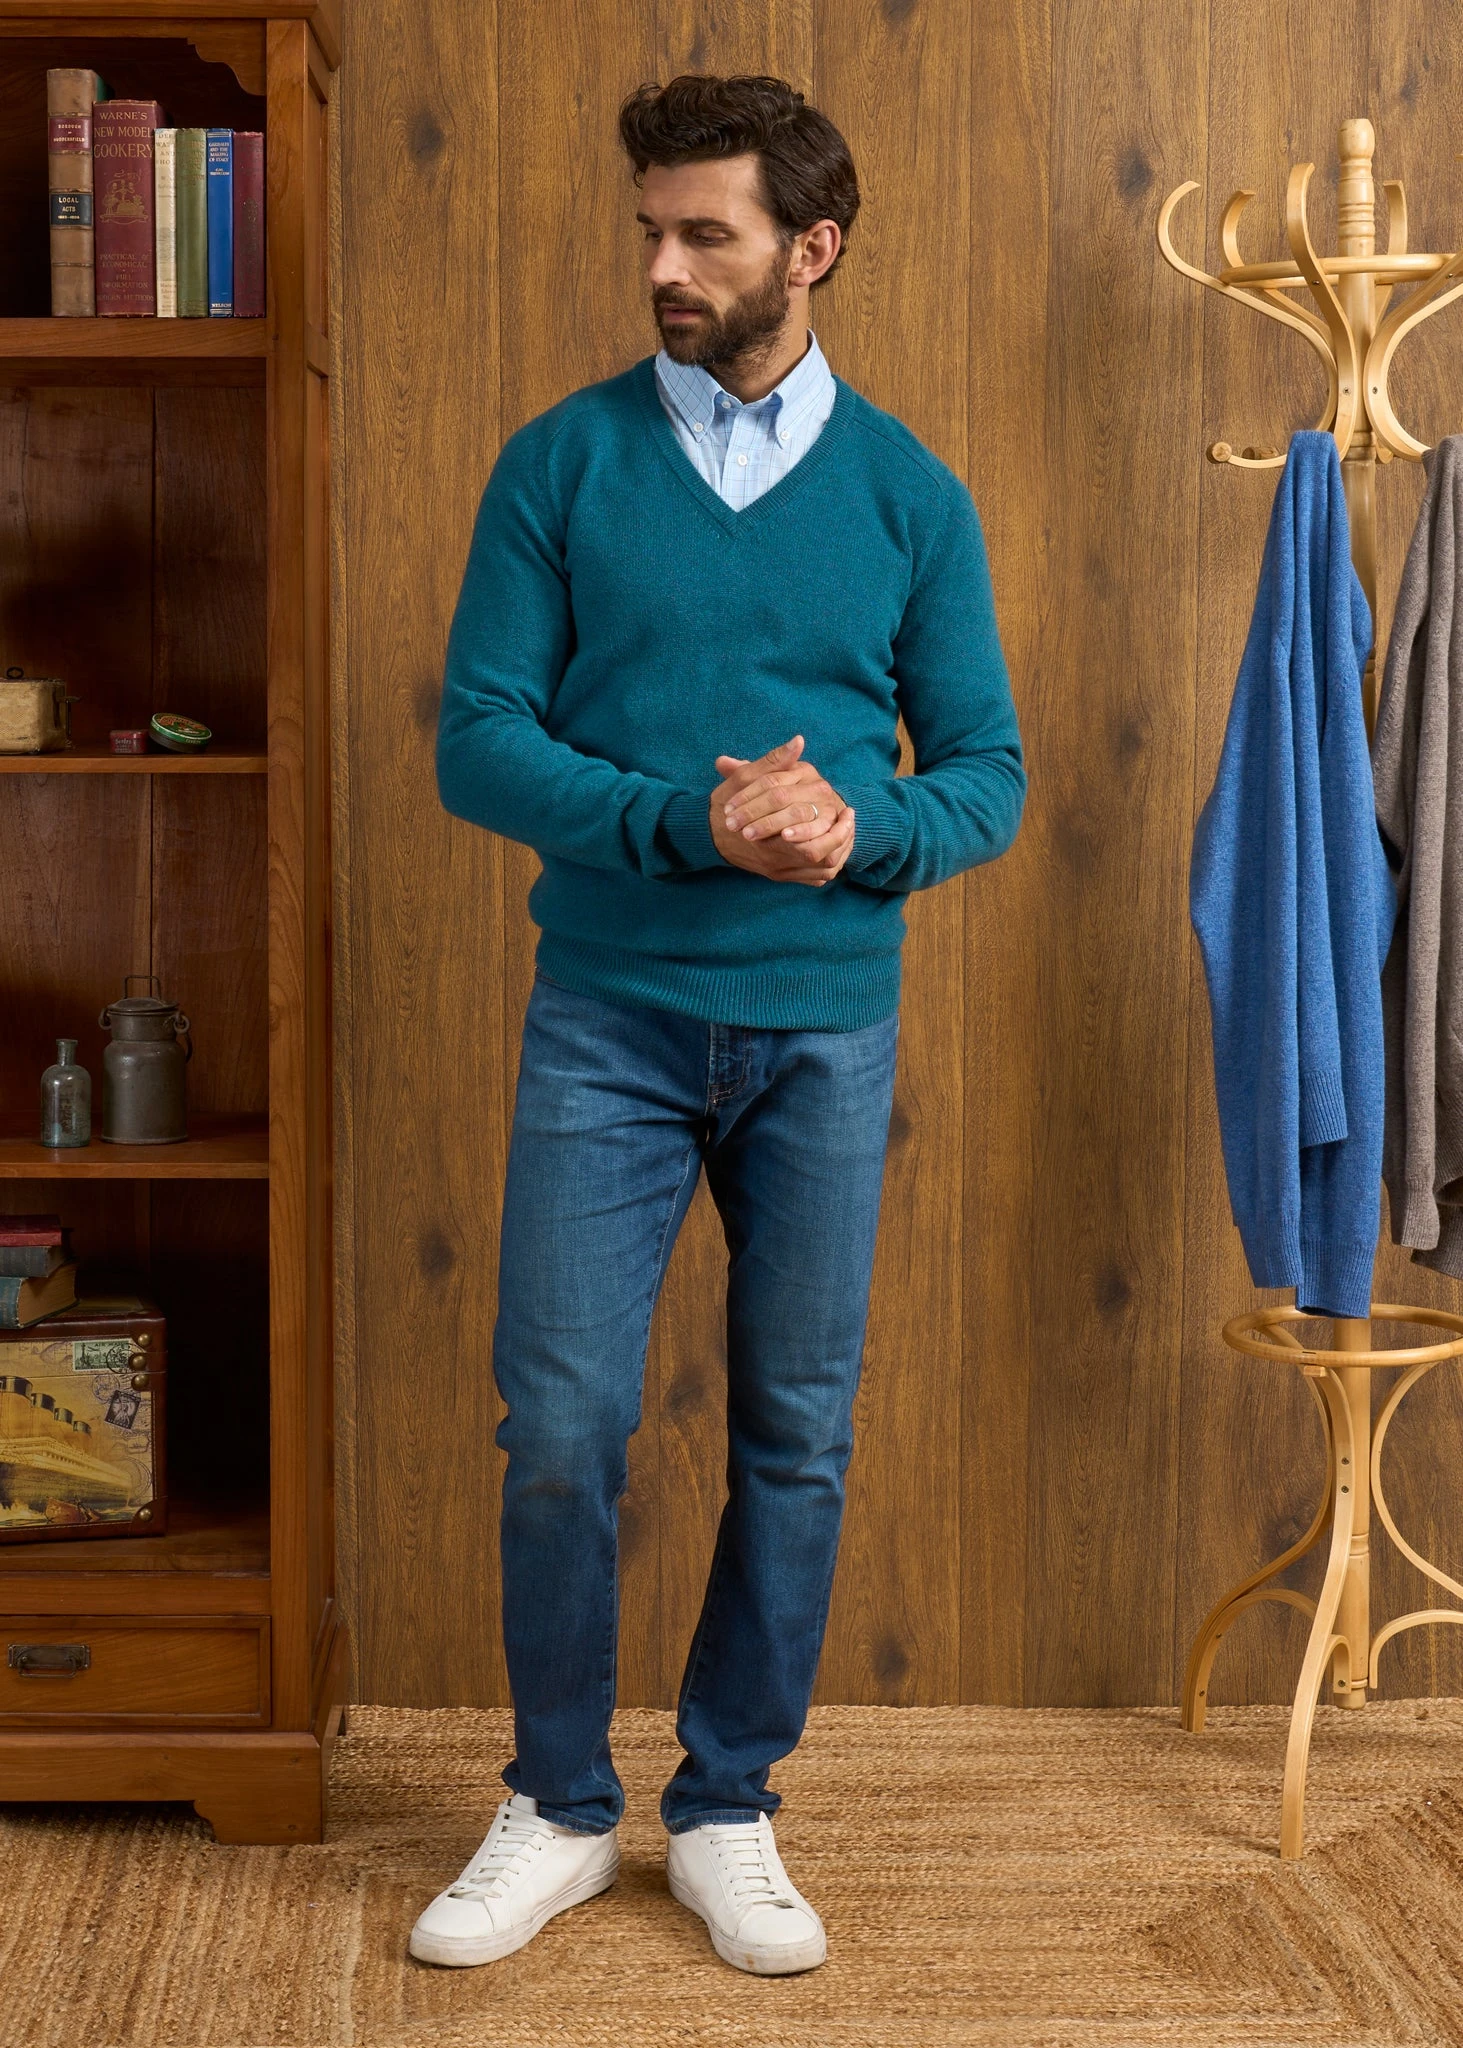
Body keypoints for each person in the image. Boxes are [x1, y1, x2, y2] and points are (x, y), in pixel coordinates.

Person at [414, 71, 1025, 1977]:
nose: (664, 267)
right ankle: (554, 1805)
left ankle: (727, 1805)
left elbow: (986, 777)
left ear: (808, 250)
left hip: (823, 1030)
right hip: (605, 1017)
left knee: (795, 1433)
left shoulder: (909, 495)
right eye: (651, 233)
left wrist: (857, 834)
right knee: (559, 1426)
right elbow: (478, 743)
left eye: (707, 235)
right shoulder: (563, 464)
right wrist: (692, 822)